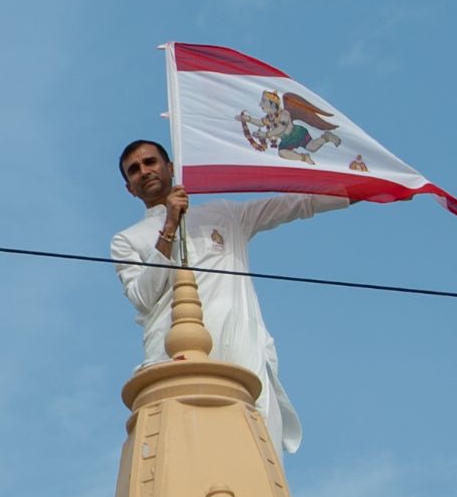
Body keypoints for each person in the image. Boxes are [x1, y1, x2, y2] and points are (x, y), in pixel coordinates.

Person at [111, 139, 345, 456]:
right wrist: (169, 225)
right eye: (134, 170)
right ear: (129, 189)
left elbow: (298, 204)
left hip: (240, 350)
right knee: (189, 460)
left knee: (256, 456)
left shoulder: (223, 214)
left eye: (150, 162)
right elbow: (143, 296)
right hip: (176, 355)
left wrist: (368, 188)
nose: (144, 171)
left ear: (170, 167)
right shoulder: (127, 240)